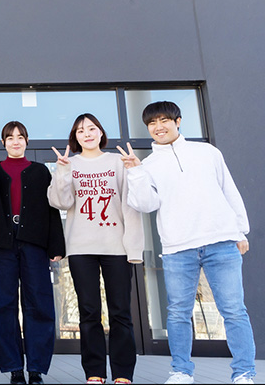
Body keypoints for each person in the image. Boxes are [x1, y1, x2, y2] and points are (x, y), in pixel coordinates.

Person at [118, 101, 256, 385]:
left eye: (164, 120)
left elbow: (228, 189)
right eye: (152, 123)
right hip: (177, 248)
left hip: (220, 242)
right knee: (178, 313)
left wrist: (241, 231)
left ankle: (244, 373)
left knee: (234, 311)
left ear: (178, 121)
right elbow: (145, 204)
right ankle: (181, 371)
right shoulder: (148, 165)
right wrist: (135, 171)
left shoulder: (207, 152)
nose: (158, 127)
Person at [47, 114, 143, 385]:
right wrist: (62, 171)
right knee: (88, 312)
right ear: (75, 137)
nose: (86, 134)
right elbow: (59, 202)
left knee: (120, 311)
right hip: (81, 248)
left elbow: (131, 206)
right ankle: (94, 373)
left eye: (91, 128)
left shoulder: (117, 161)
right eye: (80, 131)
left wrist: (134, 248)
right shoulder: (70, 163)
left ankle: (123, 374)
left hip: (117, 247)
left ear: (101, 132)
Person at [0, 121, 65, 385]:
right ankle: (14, 368)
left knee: (39, 303)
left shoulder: (40, 171)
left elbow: (52, 210)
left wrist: (56, 246)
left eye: (20, 137)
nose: (15, 141)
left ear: (27, 141)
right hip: (1, 245)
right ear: (3, 142)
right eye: (10, 137)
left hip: (34, 243)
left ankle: (36, 369)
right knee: (3, 304)